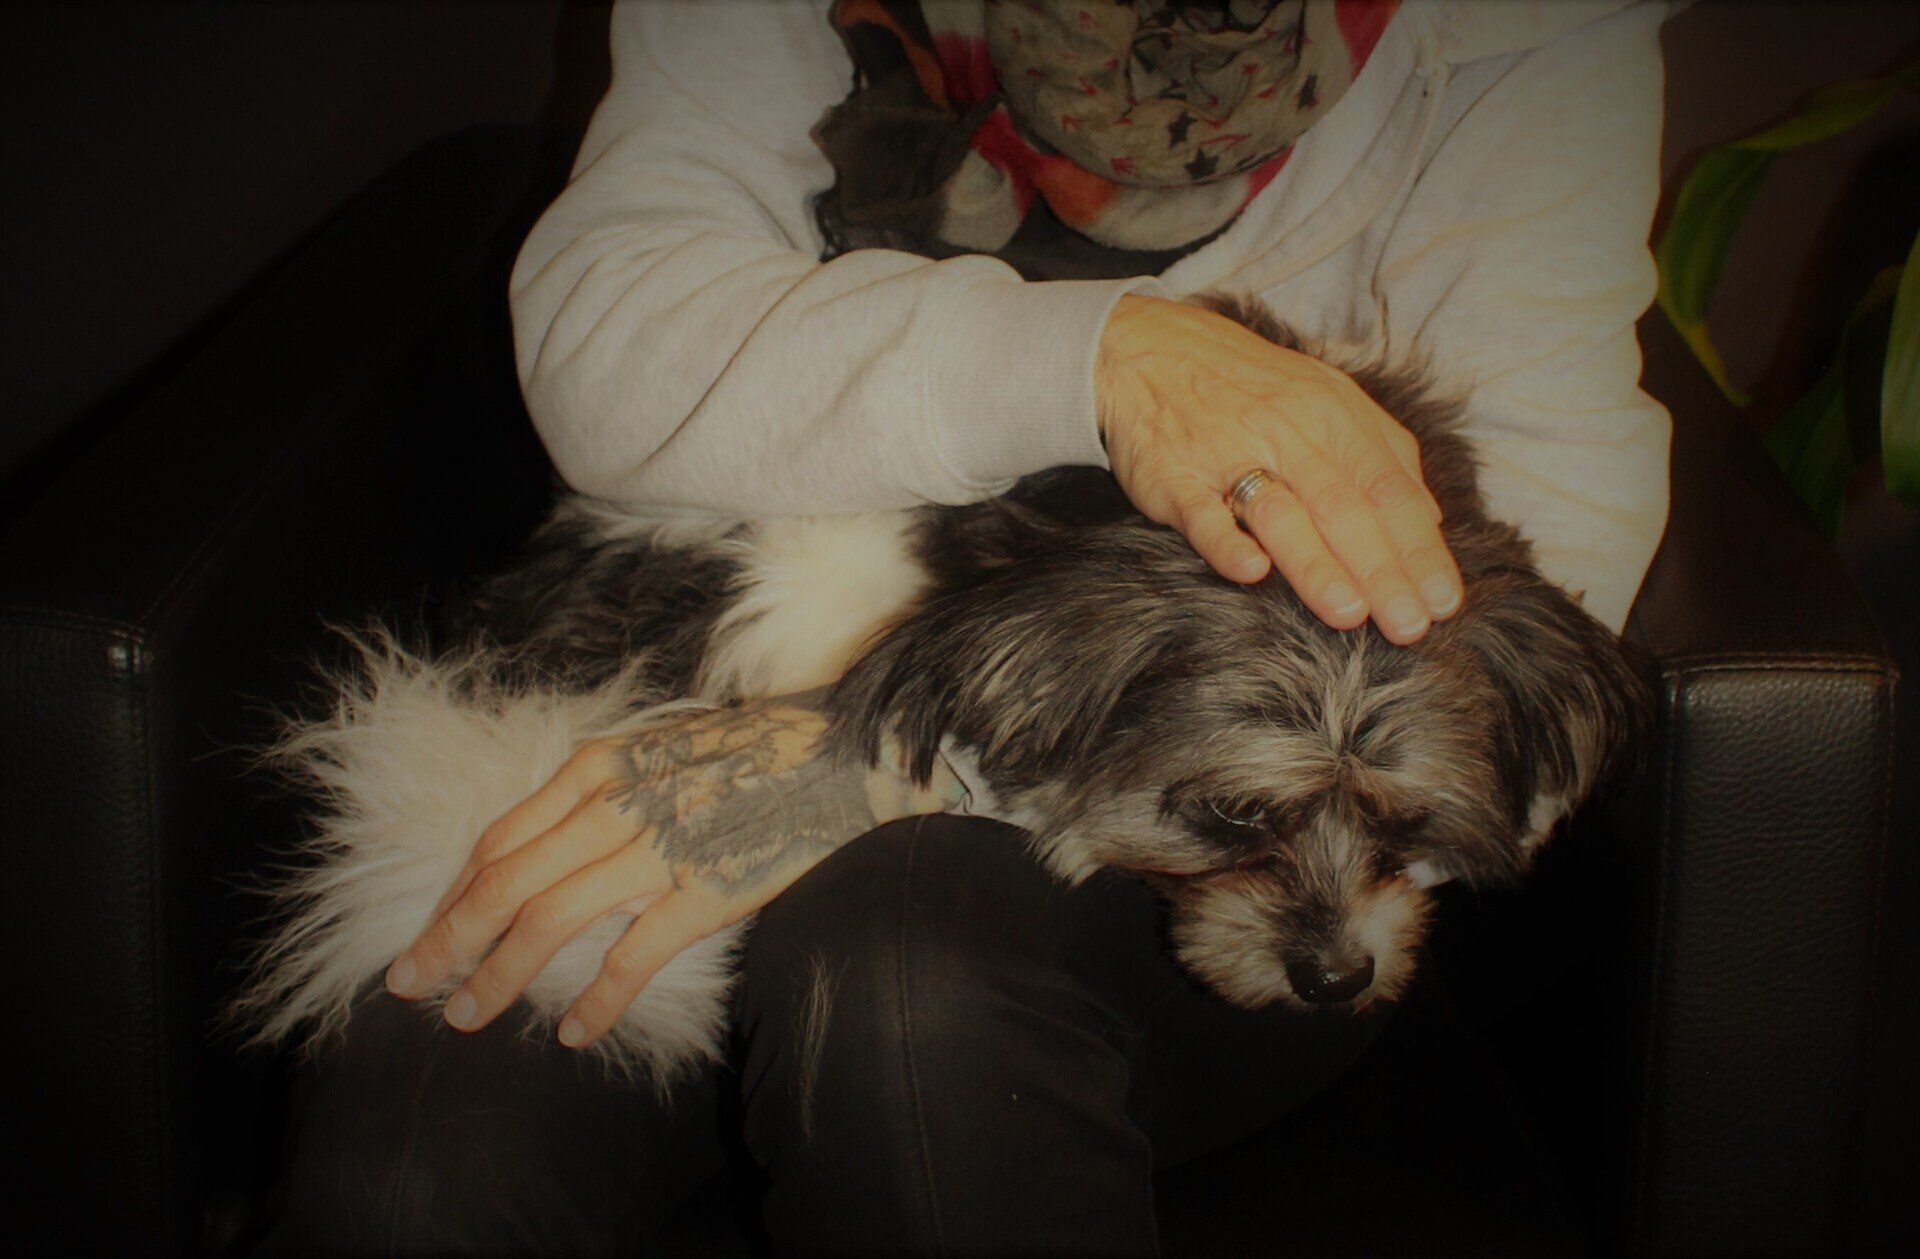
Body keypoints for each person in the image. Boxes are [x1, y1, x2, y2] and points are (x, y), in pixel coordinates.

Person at [264, 1, 1672, 1251]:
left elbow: (1556, 510)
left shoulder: (1518, 26)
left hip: (1049, 822)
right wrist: (1103, 364)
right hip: (683, 647)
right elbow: (609, 332)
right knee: (414, 1182)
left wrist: (885, 747)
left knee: (902, 985)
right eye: (1246, 823)